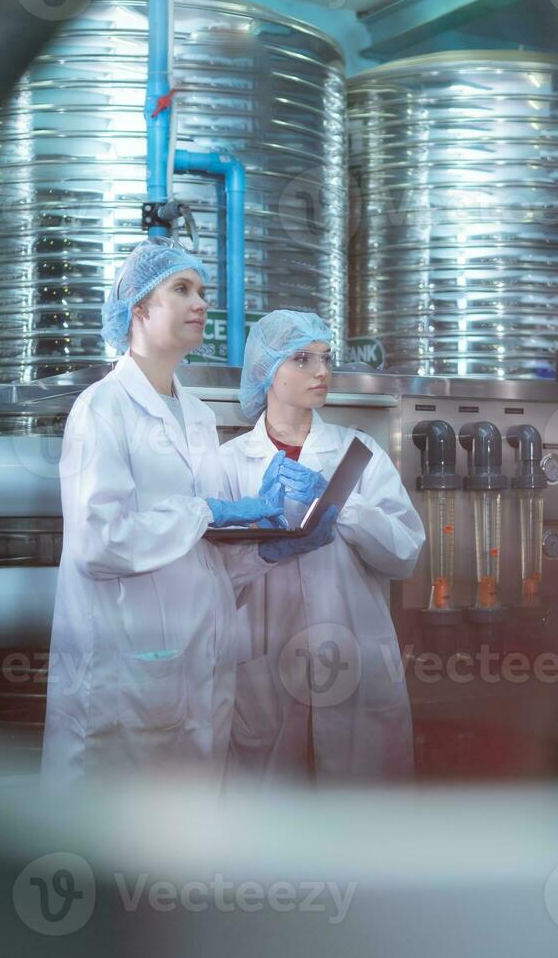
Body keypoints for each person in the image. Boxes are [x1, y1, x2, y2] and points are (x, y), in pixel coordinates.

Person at [42, 238, 326, 785]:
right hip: (124, 676)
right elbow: (97, 543)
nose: (201, 303)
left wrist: (268, 549)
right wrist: (204, 511)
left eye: (202, 291)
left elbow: (206, 557)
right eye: (182, 289)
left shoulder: (196, 416)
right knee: (111, 854)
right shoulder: (102, 409)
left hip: (199, 669)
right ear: (138, 310)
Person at [218, 310, 425, 785]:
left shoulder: (359, 454)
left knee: (363, 832)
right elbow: (211, 578)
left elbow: (405, 554)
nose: (321, 371)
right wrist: (265, 553)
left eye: (325, 358)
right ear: (265, 372)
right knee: (268, 831)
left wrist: (339, 506)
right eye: (301, 359)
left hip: (354, 662)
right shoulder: (230, 464)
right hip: (263, 668)